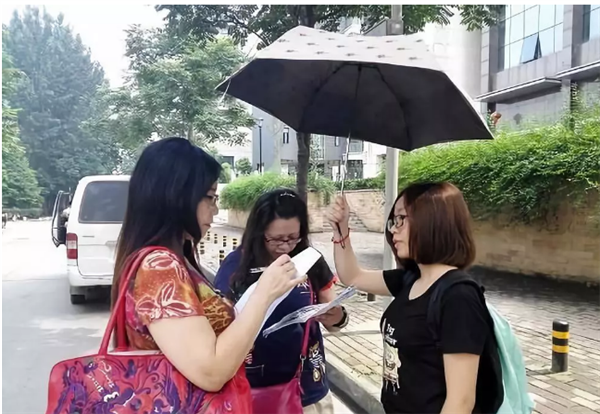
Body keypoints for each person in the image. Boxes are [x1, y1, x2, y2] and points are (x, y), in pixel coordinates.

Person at [112, 137, 306, 410]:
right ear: (178, 195)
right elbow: (211, 372)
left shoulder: (175, 259)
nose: (215, 210)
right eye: (211, 197)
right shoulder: (159, 268)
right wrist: (264, 294)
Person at [326, 182, 499, 414]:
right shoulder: (411, 279)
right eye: (393, 221)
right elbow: (353, 277)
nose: (393, 230)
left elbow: (460, 402)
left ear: (433, 220)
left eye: (401, 219)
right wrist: (341, 231)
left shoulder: (458, 297)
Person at [214, 189, 349, 414]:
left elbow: (334, 314)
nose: (286, 246)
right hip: (247, 390)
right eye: (276, 239)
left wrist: (336, 316)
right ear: (259, 232)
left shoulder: (310, 260)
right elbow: (218, 325)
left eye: (293, 237)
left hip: (305, 390)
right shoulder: (236, 266)